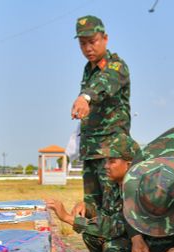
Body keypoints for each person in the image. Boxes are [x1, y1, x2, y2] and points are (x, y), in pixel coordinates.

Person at [47, 135, 159, 252]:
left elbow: (113, 227)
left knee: (111, 246)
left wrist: (66, 217)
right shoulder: (116, 185)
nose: (106, 166)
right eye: (105, 161)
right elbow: (106, 214)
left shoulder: (137, 190)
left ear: (128, 164)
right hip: (128, 239)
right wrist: (87, 207)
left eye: (111, 161)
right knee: (90, 234)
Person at [71, 15, 131, 222]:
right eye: (82, 43)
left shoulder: (116, 66)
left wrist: (85, 97)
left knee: (114, 211)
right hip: (91, 151)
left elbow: (105, 83)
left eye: (92, 41)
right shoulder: (88, 70)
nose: (88, 48)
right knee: (92, 209)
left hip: (111, 152)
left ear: (105, 38)